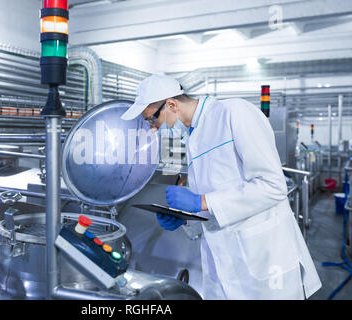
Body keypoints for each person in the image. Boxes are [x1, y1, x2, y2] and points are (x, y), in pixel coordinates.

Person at [121, 74, 322, 300]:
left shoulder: (234, 113)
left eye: (153, 120)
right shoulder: (192, 137)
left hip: (264, 259)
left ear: (171, 105)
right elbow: (217, 203)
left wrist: (201, 202)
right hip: (223, 262)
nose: (153, 129)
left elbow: (273, 185)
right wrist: (187, 219)